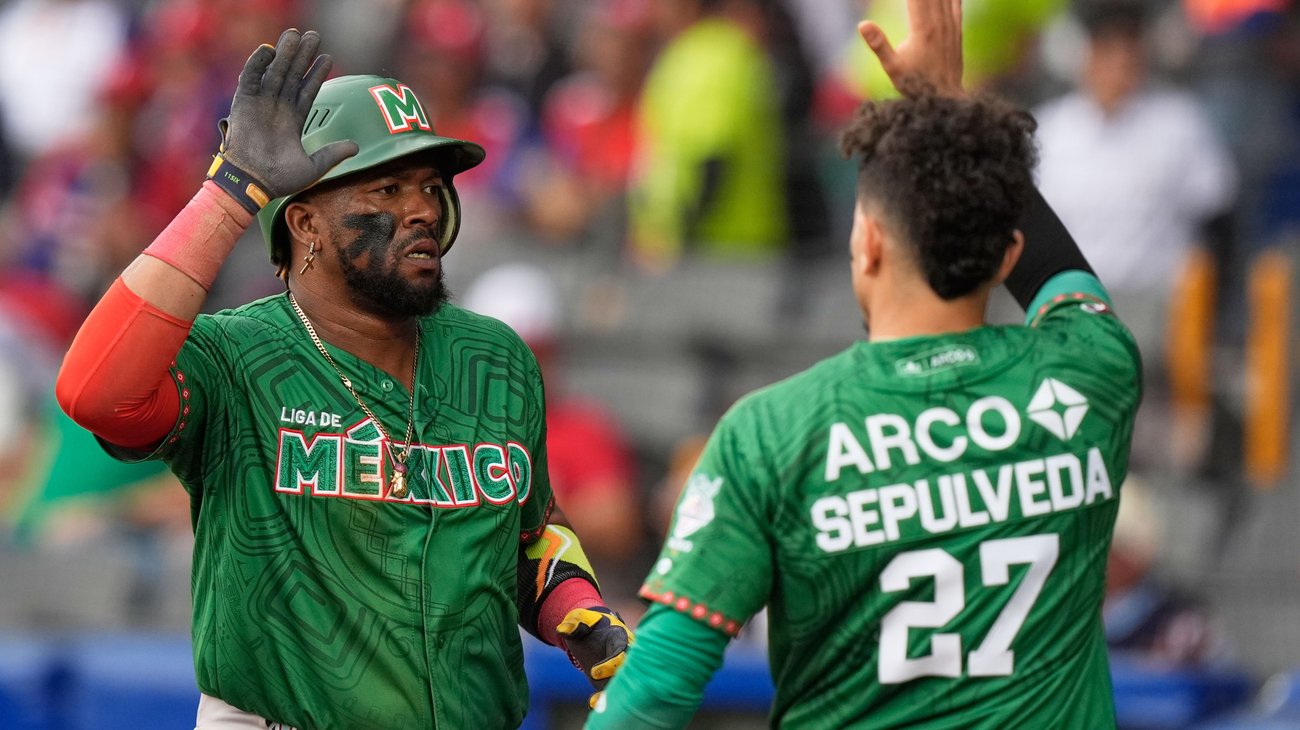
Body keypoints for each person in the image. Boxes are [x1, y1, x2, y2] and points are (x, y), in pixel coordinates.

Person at [54, 29, 631, 730]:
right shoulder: (235, 358)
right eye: (387, 188)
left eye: (430, 186)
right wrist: (230, 193)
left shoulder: (495, 356)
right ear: (306, 224)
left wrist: (579, 611)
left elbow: (526, 534)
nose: (423, 209)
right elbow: (94, 391)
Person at [587, 1, 1142, 727]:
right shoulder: (1088, 371)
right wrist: (950, 103)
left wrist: (942, 103)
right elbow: (1061, 274)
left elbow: (653, 690)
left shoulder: (771, 432)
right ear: (1006, 251)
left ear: (868, 242)